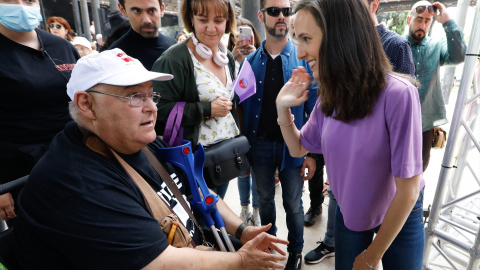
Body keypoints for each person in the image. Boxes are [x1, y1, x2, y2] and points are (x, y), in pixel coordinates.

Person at [13, 48, 289, 269]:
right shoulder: (79, 182)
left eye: (150, 95)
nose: (152, 108)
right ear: (87, 104)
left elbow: (199, 190)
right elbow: (159, 263)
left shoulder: (138, 141)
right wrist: (240, 261)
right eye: (134, 96)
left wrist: (242, 231)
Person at [277, 0, 425, 269]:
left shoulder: (399, 94)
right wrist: (282, 108)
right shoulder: (330, 96)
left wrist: (371, 257)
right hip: (351, 214)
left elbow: (408, 192)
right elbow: (299, 147)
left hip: (399, 214)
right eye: (298, 40)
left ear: (341, 35)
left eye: (306, 39)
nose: (300, 53)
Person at [239, 0, 318, 269]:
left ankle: (295, 252)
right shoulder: (249, 62)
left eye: (286, 11)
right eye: (274, 11)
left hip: (293, 146)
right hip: (258, 146)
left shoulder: (304, 58)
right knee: (264, 201)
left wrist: (312, 153)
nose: (282, 16)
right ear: (261, 16)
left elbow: (315, 110)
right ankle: (268, 247)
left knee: (294, 205)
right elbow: (239, 107)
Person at [0, 0, 79, 227]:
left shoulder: (62, 47)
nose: (20, 6)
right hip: (20, 176)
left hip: (74, 163)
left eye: (28, 0)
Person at [152, 0, 239, 199]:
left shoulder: (227, 58)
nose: (211, 28)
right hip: (193, 163)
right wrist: (206, 109)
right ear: (191, 19)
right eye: (202, 19)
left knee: (219, 216)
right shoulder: (173, 60)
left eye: (218, 20)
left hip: (224, 156)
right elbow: (157, 108)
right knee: (201, 220)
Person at [406, 0, 466, 172]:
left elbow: (459, 55)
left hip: (425, 123)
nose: (422, 25)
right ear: (409, 19)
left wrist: (447, 21)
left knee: (419, 171)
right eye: (419, 19)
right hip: (396, 120)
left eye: (427, 21)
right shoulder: (397, 45)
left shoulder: (436, 46)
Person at [226, 17, 261, 226]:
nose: (242, 39)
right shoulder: (226, 59)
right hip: (237, 122)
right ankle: (244, 207)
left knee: (256, 169)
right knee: (242, 169)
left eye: (246, 34)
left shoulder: (260, 56)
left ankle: (256, 210)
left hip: (255, 120)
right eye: (237, 35)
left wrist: (255, 55)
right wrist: (232, 58)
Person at [110, 0, 176, 70]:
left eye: (152, 10)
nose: (146, 20)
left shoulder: (173, 46)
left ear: (161, 9)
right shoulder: (114, 57)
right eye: (136, 11)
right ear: (123, 10)